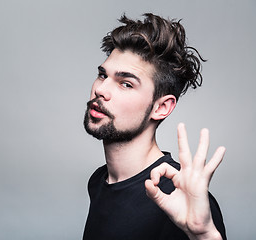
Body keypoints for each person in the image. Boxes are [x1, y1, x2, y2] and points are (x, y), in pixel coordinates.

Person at [82, 13, 227, 240]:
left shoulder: (180, 197)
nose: (101, 90)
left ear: (161, 107)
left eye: (126, 84)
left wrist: (204, 235)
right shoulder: (99, 181)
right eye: (103, 75)